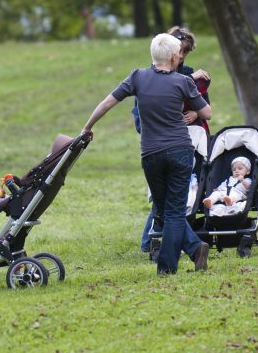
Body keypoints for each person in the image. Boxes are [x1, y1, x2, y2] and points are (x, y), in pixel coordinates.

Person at [83, 33, 212, 275]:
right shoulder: (183, 82)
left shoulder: (137, 77)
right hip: (181, 151)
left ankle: (190, 252)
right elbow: (207, 113)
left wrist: (87, 126)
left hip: (151, 154)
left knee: (163, 210)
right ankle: (181, 257)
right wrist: (193, 97)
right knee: (172, 211)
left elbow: (108, 102)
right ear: (175, 56)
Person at [139, 26, 211, 252]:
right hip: (160, 142)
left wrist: (195, 113)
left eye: (185, 52)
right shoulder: (149, 76)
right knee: (164, 202)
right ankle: (181, 245)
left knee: (172, 201)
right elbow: (144, 113)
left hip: (186, 140)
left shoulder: (190, 75)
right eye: (180, 51)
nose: (181, 56)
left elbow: (206, 108)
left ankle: (178, 251)